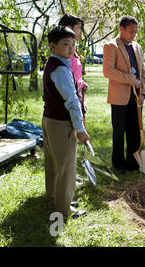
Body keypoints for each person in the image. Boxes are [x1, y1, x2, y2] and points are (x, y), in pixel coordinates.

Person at [42, 26, 90, 219]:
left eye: (73, 44)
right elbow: (71, 101)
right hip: (61, 123)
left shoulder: (54, 63)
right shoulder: (60, 68)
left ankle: (54, 198)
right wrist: (80, 128)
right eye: (65, 45)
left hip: (49, 120)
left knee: (53, 163)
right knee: (66, 167)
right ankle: (63, 209)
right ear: (53, 46)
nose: (71, 49)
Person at [103, 16, 145, 172]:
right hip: (119, 97)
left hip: (136, 97)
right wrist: (131, 79)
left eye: (135, 31)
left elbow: (143, 71)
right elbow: (108, 71)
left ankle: (133, 163)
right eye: (130, 31)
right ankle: (118, 163)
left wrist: (143, 93)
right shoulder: (111, 46)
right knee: (119, 131)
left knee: (135, 130)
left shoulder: (137, 47)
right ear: (121, 29)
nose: (134, 35)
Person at [58, 14, 88, 186]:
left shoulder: (73, 50)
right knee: (70, 140)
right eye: (78, 28)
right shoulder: (64, 52)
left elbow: (77, 77)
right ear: (69, 27)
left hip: (77, 97)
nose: (81, 32)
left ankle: (72, 175)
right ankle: (67, 177)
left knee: (75, 140)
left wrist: (82, 87)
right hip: (69, 101)